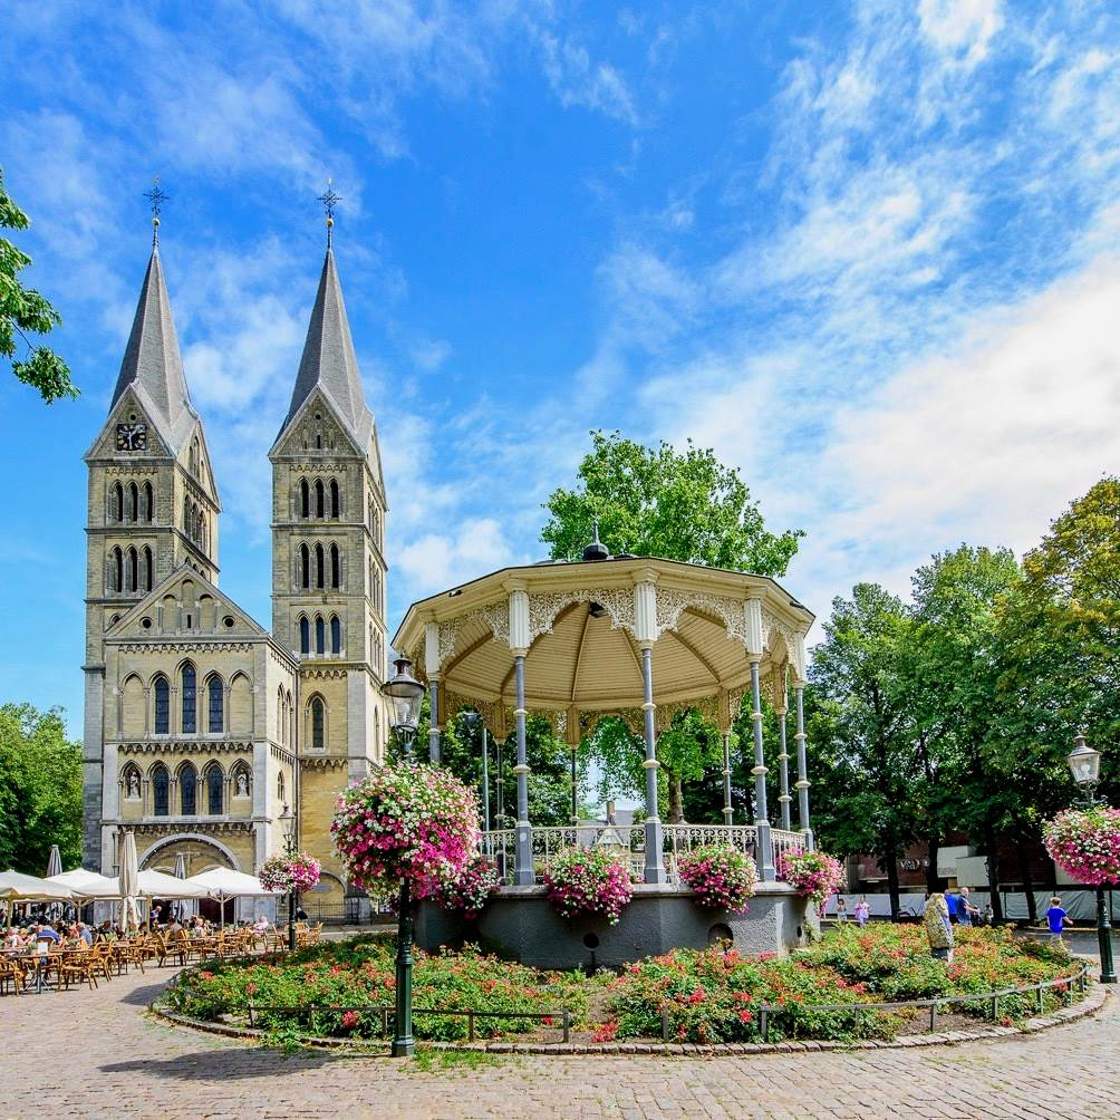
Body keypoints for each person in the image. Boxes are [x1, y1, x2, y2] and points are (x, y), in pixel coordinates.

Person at [923, 892, 953, 961]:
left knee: (936, 953)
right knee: (945, 955)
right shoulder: (940, 901)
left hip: (933, 938)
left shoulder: (927, 905)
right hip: (943, 935)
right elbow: (946, 914)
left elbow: (924, 916)